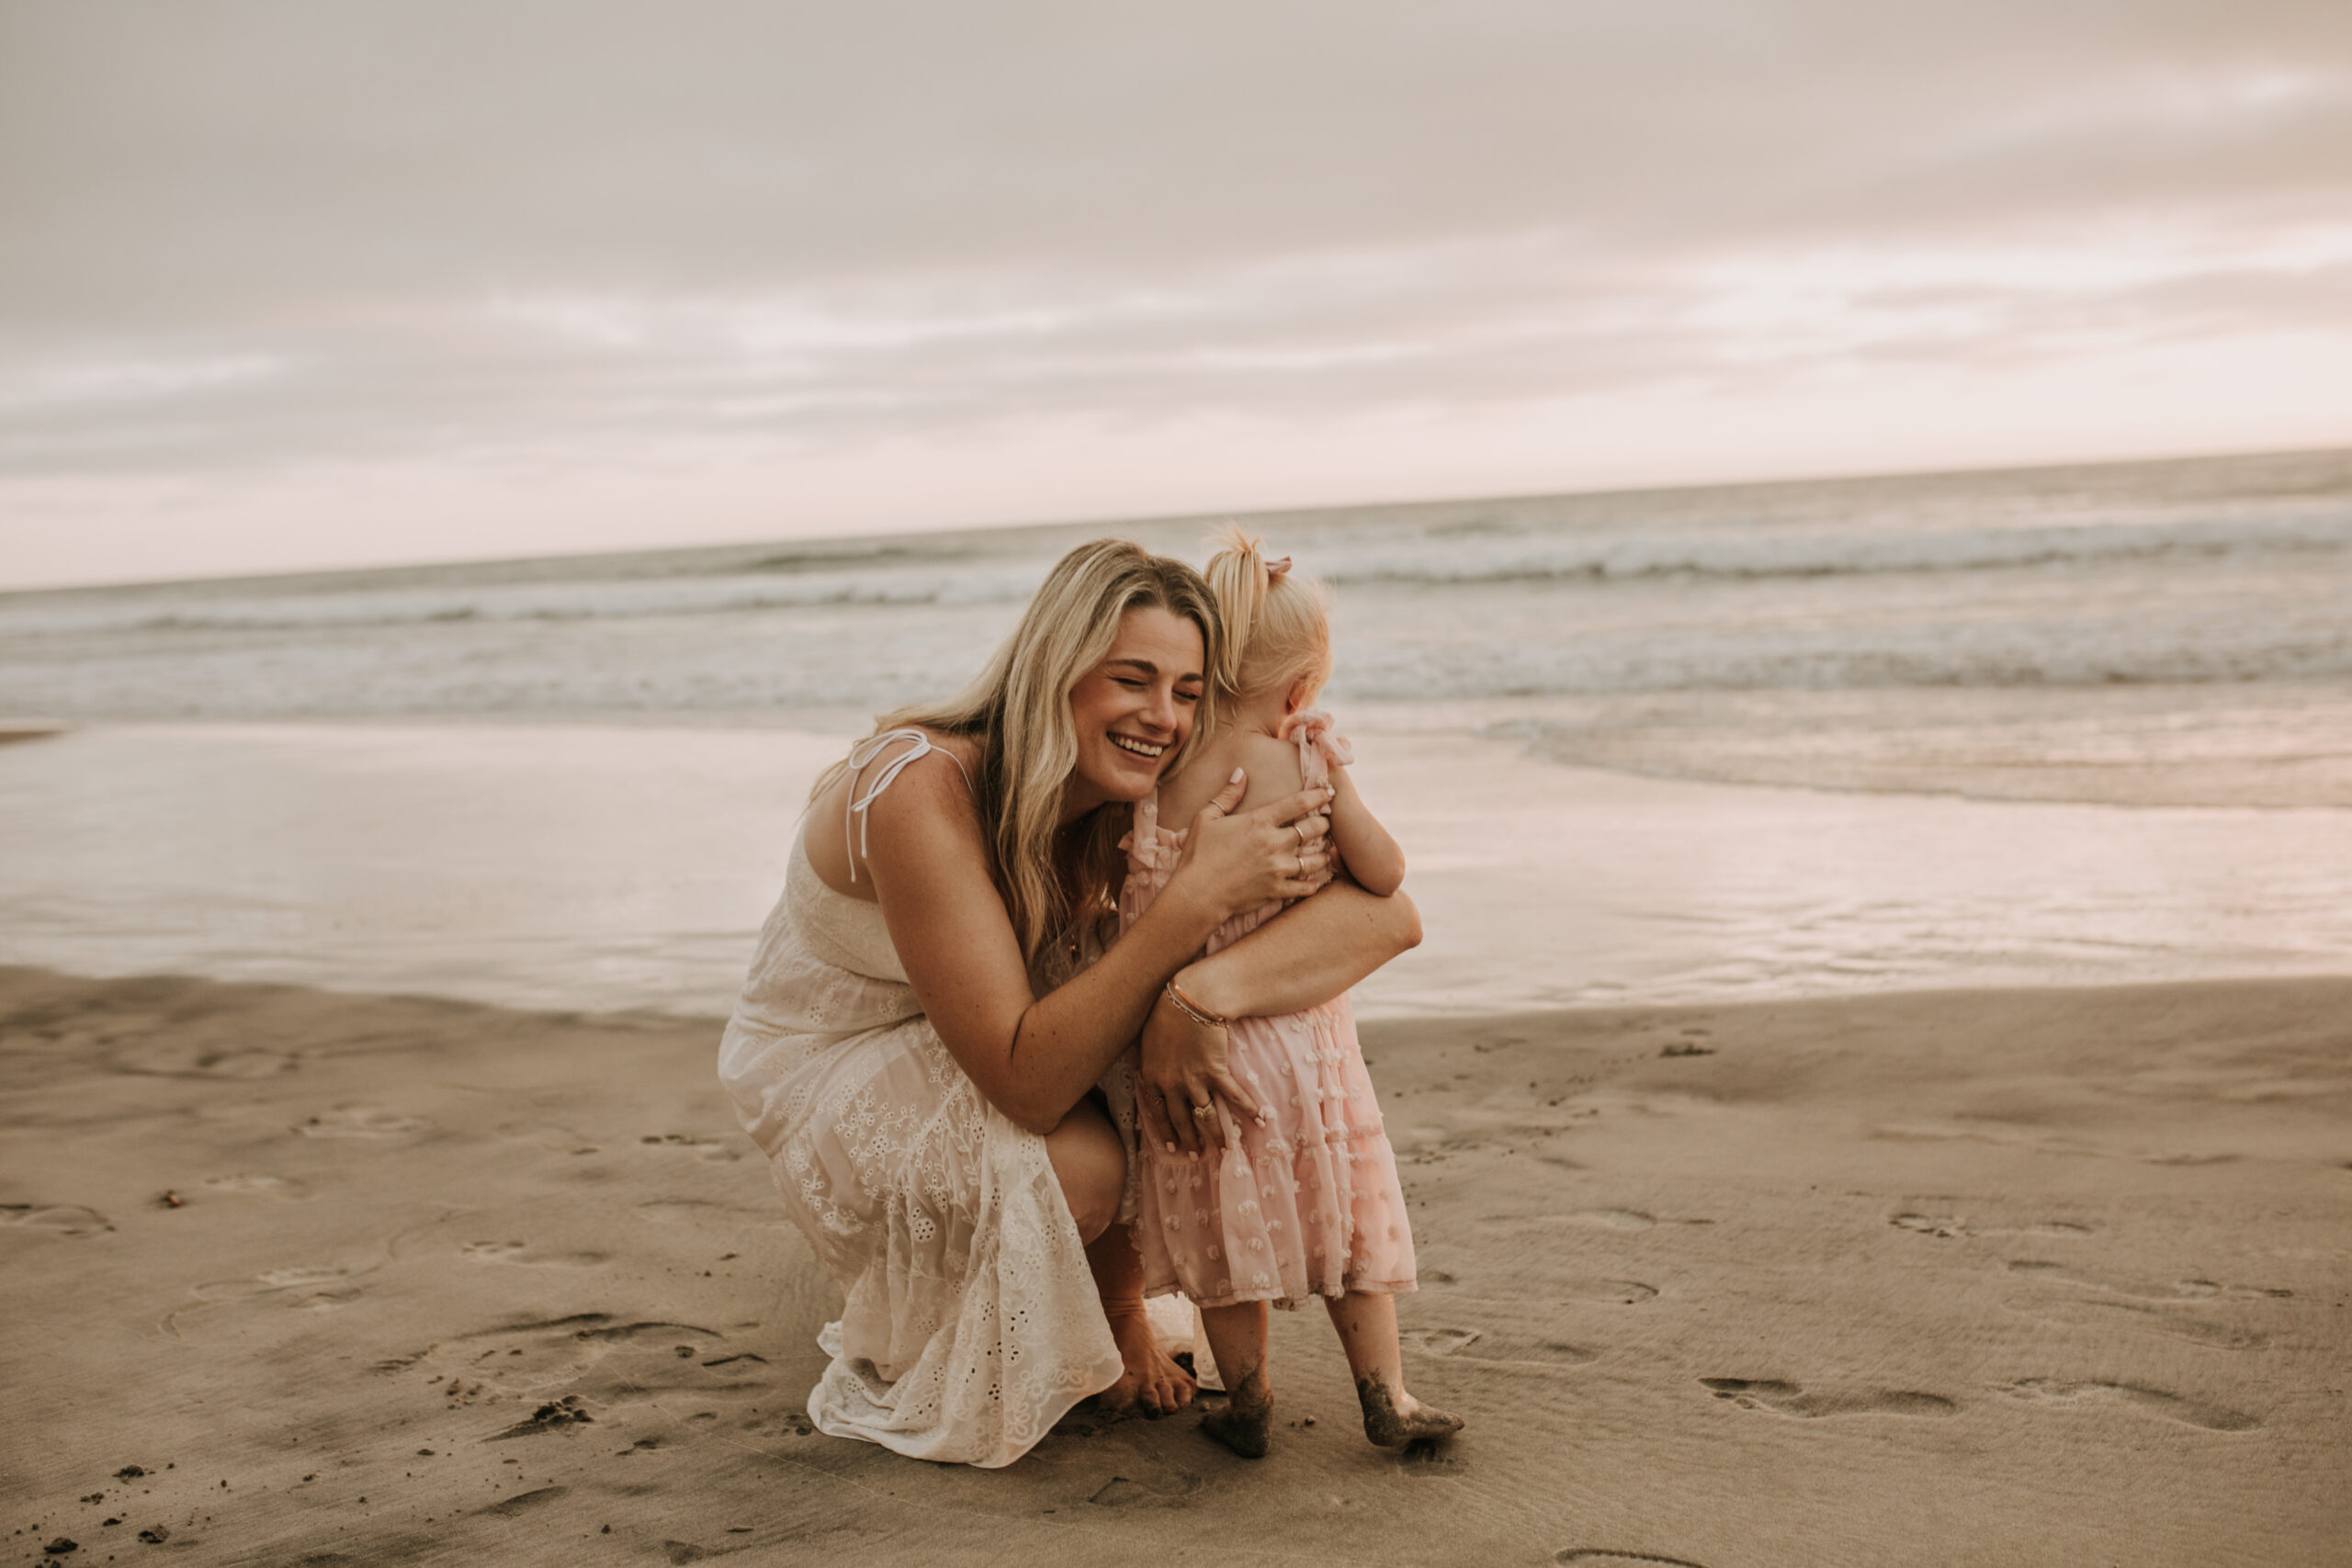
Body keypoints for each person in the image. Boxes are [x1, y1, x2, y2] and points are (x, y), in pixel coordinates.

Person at [716, 538, 1422, 1468]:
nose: (1162, 717)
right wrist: (1191, 908)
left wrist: (1198, 998)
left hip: (1003, 1032)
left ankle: (1115, 1305)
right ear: (1059, 667)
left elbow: (1388, 916)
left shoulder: (1139, 795)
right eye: (1132, 679)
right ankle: (1111, 1307)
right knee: (1079, 1166)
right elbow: (1032, 1084)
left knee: (1170, 1056)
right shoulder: (919, 786)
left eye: (1187, 690)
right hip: (839, 1052)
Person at [1121, 530, 1463, 1458]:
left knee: (1224, 1241)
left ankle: (1249, 1402)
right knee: (1346, 1224)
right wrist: (1336, 782)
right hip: (1306, 1046)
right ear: (1301, 687)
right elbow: (1384, 875)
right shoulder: (1309, 760)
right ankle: (1384, 1393)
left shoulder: (1157, 780)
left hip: (1203, 1055)